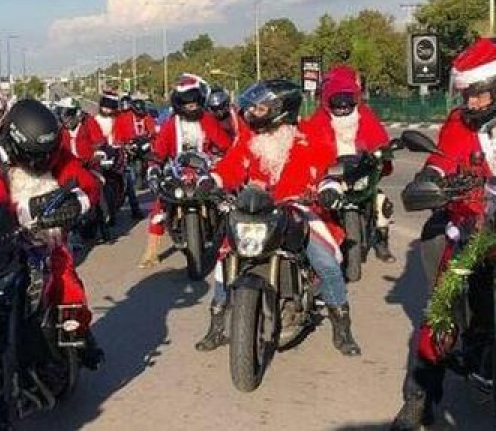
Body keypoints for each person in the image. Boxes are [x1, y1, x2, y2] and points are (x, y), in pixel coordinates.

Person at [194, 79, 362, 358]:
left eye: (260, 109)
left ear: (281, 109)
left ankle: (342, 328)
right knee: (226, 258)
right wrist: (212, 180)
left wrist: (329, 187)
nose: (252, 114)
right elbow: (231, 165)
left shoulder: (309, 134)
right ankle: (217, 325)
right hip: (254, 211)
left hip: (298, 209)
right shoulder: (249, 138)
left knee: (326, 262)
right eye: (252, 108)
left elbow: (325, 167)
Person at [0, 99, 104, 368]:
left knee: (68, 285)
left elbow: (88, 184)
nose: (42, 160)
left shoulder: (59, 155)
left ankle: (80, 334)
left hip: (48, 245)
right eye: (35, 155)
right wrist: (24, 210)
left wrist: (76, 203)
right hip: (2, 243)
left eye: (46, 153)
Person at [391, 37, 496, 430]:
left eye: (479, 94)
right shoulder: (458, 122)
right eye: (467, 94)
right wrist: (429, 179)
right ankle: (418, 399)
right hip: (473, 226)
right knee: (440, 309)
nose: (472, 102)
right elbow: (442, 159)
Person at [139, 74, 232, 268]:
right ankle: (151, 251)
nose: (191, 106)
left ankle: (231, 245)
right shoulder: (170, 124)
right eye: (187, 103)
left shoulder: (208, 119)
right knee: (160, 205)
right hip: (177, 170)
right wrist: (154, 167)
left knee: (227, 201)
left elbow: (224, 143)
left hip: (205, 168)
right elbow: (160, 150)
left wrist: (225, 155)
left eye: (194, 102)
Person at [306, 65, 396, 263]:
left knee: (381, 201)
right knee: (320, 205)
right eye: (337, 100)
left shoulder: (364, 115)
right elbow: (311, 143)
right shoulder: (319, 119)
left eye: (347, 99)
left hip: (361, 168)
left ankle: (382, 241)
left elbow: (378, 137)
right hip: (333, 172)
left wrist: (383, 152)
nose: (343, 105)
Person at [55, 97, 106, 163]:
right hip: (71, 164)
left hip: (89, 164)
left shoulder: (88, 123)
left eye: (67, 116)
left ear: (77, 113)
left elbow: (100, 143)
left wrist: (93, 158)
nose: (65, 121)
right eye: (61, 117)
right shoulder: (63, 130)